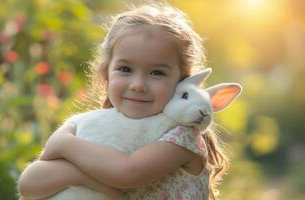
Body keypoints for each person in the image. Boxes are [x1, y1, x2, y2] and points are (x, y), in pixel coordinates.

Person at [19, 2, 229, 200]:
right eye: (125, 69)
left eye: (157, 72)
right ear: (106, 76)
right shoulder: (100, 126)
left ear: (183, 83)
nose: (138, 84)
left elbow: (129, 172)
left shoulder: (182, 137)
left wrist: (64, 143)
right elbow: (29, 185)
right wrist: (83, 177)